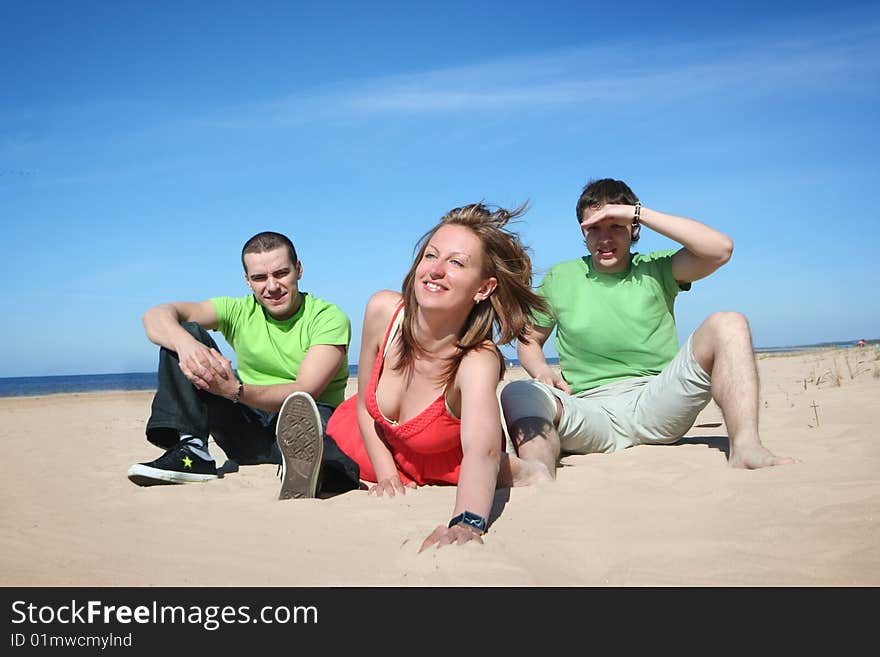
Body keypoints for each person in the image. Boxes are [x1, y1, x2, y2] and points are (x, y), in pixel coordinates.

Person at [500, 178, 796, 479]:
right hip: (591, 412)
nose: (604, 238)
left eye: (615, 225)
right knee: (518, 392)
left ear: (634, 228)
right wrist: (541, 370)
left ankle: (746, 447)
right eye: (594, 228)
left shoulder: (657, 269)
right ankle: (537, 470)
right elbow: (530, 340)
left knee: (729, 322)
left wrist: (637, 212)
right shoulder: (561, 277)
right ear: (583, 232)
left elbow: (720, 250)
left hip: (658, 402)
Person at [325, 203, 550, 551]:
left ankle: (530, 468)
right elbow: (367, 410)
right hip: (376, 442)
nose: (435, 270)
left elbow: (481, 450)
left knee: (513, 470)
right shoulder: (383, 311)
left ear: (483, 288)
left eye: (457, 263)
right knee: (330, 441)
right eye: (431, 256)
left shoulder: (477, 359)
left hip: (449, 461)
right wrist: (386, 476)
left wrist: (467, 521)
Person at [127, 231, 361, 499]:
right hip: (249, 429)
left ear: (298, 270)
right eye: (260, 278)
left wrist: (234, 390)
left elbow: (306, 389)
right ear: (248, 281)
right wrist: (187, 344)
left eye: (281, 273)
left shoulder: (327, 317)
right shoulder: (237, 310)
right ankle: (192, 450)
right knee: (183, 332)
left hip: (308, 418)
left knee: (310, 418)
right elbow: (155, 315)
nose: (271, 286)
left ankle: (311, 470)